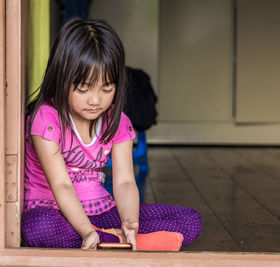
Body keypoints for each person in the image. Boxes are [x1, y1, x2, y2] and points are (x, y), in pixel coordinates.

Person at [22, 18, 201, 250]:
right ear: (62, 78)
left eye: (107, 88)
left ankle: (117, 239)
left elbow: (125, 181)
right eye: (83, 89)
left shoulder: (117, 120)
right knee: (37, 227)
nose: (96, 100)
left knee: (190, 220)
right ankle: (116, 242)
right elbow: (61, 185)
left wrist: (129, 223)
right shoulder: (46, 118)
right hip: (55, 212)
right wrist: (86, 231)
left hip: (101, 211)